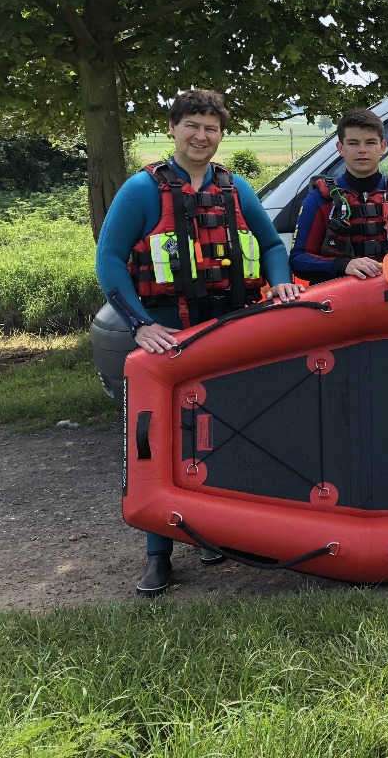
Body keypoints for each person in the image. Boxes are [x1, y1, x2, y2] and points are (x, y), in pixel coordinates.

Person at [95, 88, 300, 597]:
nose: (201, 136)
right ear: (174, 129)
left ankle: (214, 533)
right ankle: (157, 553)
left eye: (210, 128)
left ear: (220, 134)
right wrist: (138, 324)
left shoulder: (235, 189)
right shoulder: (142, 191)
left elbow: (272, 243)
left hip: (224, 330)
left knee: (221, 431)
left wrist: (279, 280)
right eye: (192, 125)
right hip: (165, 333)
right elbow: (110, 259)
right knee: (158, 438)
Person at [289, 108, 388, 283]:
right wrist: (343, 265)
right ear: (340, 148)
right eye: (353, 143)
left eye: (370, 142)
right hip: (343, 300)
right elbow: (298, 260)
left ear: (383, 147)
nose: (362, 150)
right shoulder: (319, 200)